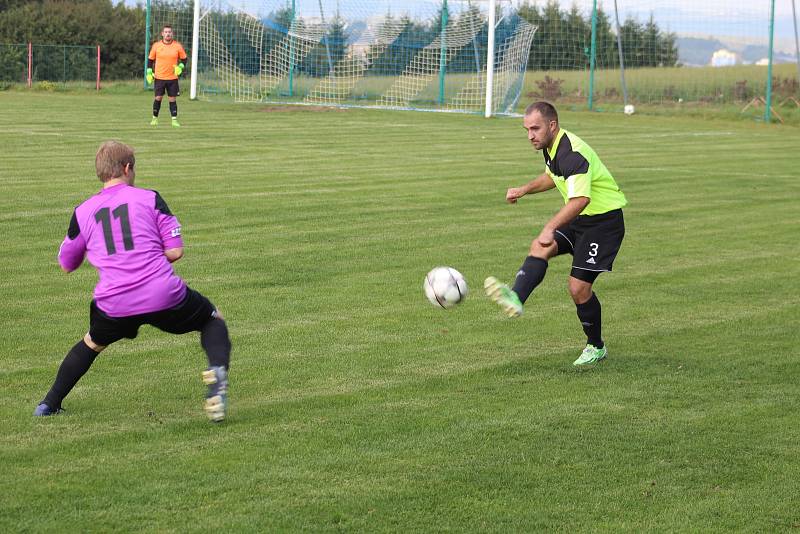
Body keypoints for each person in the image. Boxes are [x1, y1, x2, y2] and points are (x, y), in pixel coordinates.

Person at [34, 141, 231, 421]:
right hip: (161, 293)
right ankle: (217, 372)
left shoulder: (83, 212)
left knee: (92, 343)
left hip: (115, 301)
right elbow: (175, 251)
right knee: (212, 319)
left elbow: (67, 265)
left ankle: (48, 404)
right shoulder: (150, 198)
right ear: (128, 168)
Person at [484, 101, 627, 367]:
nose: (530, 136)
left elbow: (580, 199)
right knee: (539, 246)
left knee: (578, 288)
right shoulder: (552, 147)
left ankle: (596, 346)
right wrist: (524, 189)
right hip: (580, 220)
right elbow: (553, 176)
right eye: (526, 130)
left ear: (552, 125)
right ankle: (516, 297)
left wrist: (550, 227)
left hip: (602, 224)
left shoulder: (572, 152)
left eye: (535, 128)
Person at [147, 25, 188, 127]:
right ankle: (154, 119)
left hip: (172, 78)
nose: (168, 34)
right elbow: (150, 60)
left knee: (172, 99)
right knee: (158, 97)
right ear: (162, 34)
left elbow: (184, 59)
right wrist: (149, 72)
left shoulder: (177, 46)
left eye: (169, 32)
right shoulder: (156, 46)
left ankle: (174, 120)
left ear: (172, 34)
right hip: (159, 77)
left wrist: (180, 67)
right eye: (166, 32)